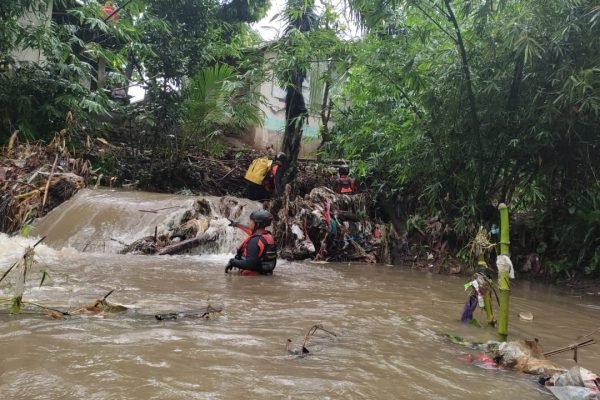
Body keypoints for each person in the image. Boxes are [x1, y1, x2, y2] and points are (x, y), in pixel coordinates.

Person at [226, 210, 277, 275]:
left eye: (250, 221)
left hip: (250, 279)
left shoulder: (254, 241)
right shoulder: (268, 236)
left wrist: (232, 262)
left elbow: (250, 264)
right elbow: (250, 231)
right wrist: (236, 224)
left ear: (257, 224)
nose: (248, 222)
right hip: (265, 275)